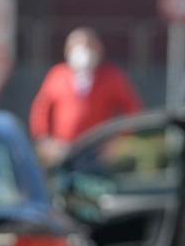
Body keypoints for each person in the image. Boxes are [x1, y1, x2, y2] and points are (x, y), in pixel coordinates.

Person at [28, 28, 141, 166]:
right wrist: (44, 141)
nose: (83, 50)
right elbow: (41, 110)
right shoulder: (57, 75)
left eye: (88, 46)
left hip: (97, 152)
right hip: (63, 152)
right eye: (76, 45)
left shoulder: (112, 77)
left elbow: (133, 110)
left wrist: (119, 142)